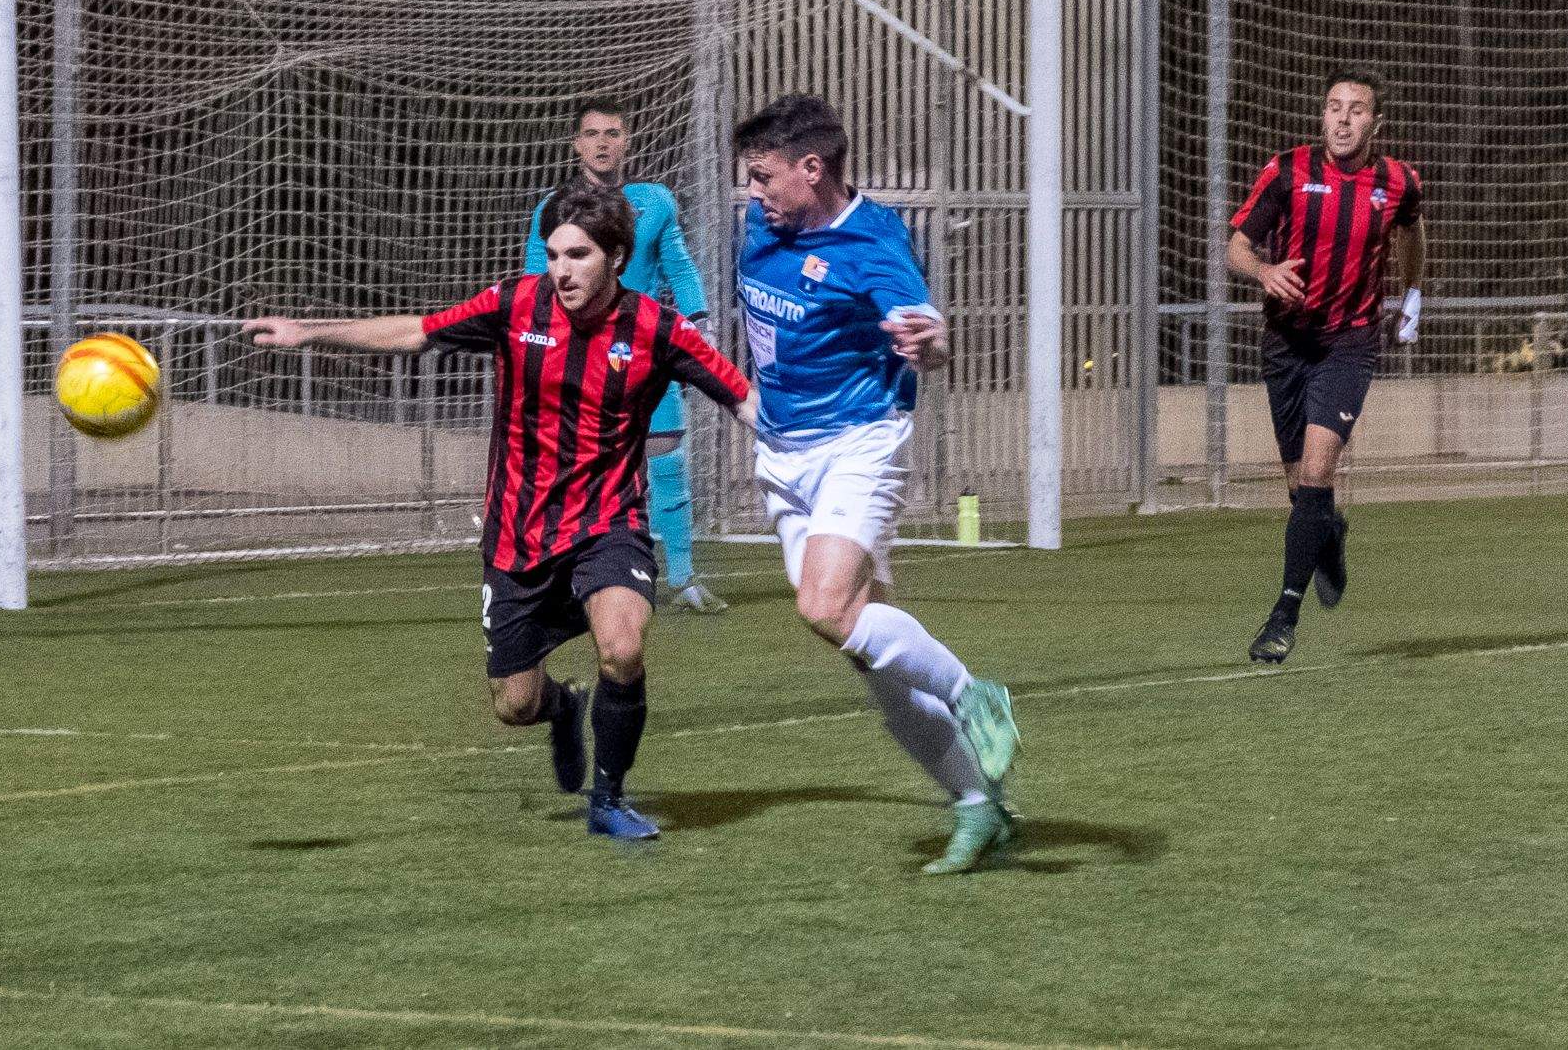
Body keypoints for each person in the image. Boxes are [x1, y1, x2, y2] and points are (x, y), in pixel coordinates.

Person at [245, 179, 756, 840]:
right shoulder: (516, 305)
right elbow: (416, 331)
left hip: (609, 523)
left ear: (618, 257)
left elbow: (742, 397)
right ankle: (562, 705)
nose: (561, 270)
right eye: (554, 254)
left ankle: (608, 800)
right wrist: (308, 332)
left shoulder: (658, 329)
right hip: (518, 538)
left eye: (578, 255)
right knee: (515, 704)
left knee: (623, 649)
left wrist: (808, 455)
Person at [733, 93, 1021, 876]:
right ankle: (976, 804)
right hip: (782, 454)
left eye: (763, 177)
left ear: (812, 168)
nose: (753, 192)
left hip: (859, 443)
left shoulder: (875, 239)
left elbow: (927, 337)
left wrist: (929, 344)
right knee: (868, 647)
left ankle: (973, 692)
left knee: (821, 607)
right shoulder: (762, 226)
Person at [1226, 69, 1427, 664]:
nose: (1342, 118)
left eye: (1356, 109)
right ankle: (1330, 532)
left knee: (1315, 473)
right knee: (1302, 494)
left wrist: (1412, 294)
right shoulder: (1287, 170)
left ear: (1375, 123)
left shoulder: (1397, 182)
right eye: (1334, 107)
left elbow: (1413, 232)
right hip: (1287, 343)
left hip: (1350, 342)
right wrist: (1263, 271)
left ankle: (1282, 617)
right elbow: (1235, 243)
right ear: (1322, 116)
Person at [526, 99, 727, 614]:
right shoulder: (553, 208)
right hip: (577, 359)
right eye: (591, 134)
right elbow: (533, 283)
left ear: (627, 140)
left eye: (612, 133)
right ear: (576, 144)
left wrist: (697, 325)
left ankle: (683, 579)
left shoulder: (654, 202)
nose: (601, 143)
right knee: (575, 471)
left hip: (641, 350)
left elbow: (679, 268)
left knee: (665, 459)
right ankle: (568, 577)